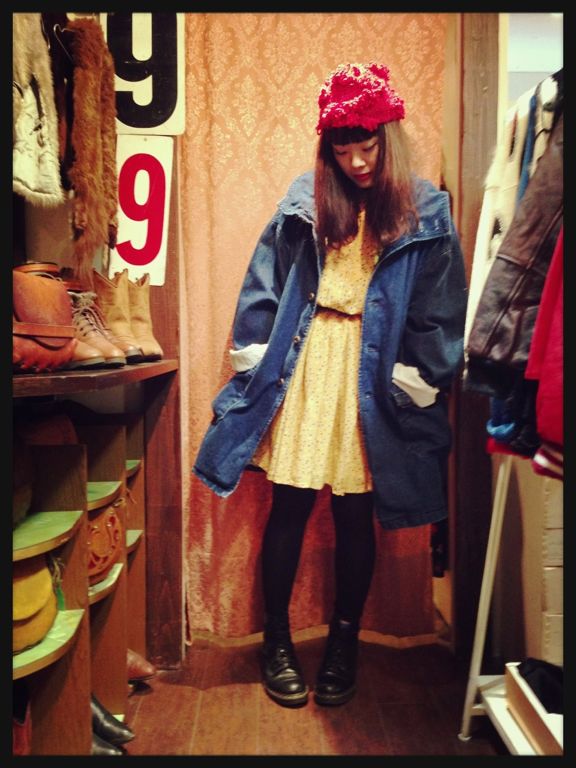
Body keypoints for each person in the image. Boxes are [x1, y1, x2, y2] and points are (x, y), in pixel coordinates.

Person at [193, 62, 468, 708]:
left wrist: (419, 374)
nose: (356, 162)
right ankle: (277, 640)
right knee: (288, 505)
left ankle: (344, 642)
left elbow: (439, 308)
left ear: (388, 137)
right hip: (307, 360)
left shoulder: (426, 209)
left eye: (367, 146)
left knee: (355, 514)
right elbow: (263, 284)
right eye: (342, 150)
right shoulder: (306, 199)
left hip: (374, 373)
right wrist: (253, 356)